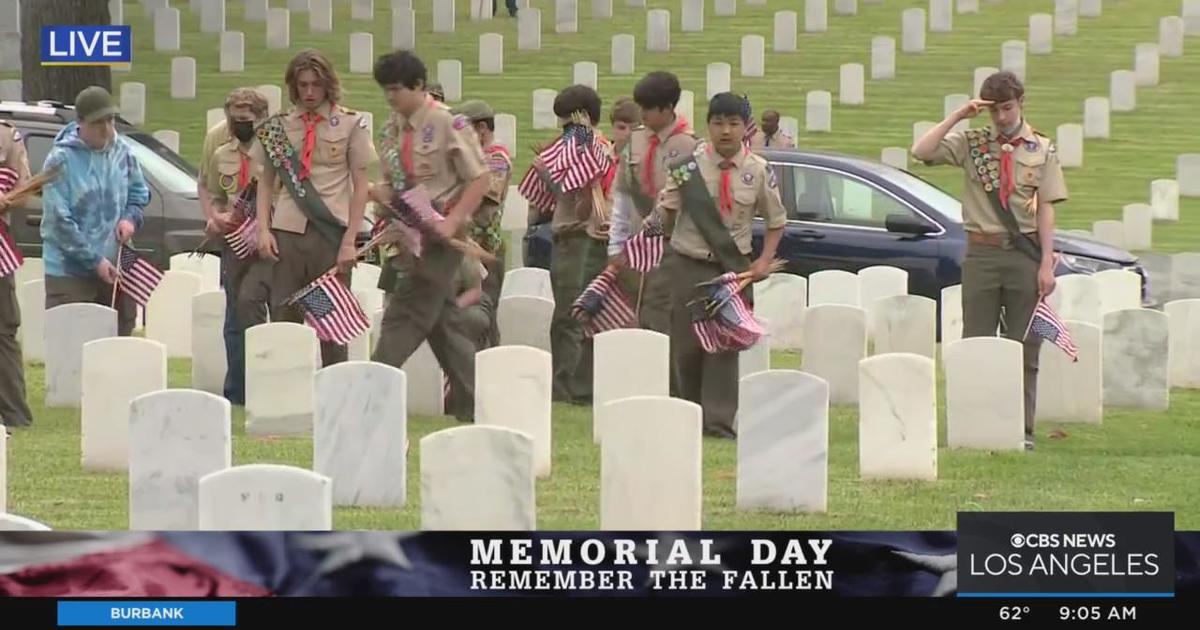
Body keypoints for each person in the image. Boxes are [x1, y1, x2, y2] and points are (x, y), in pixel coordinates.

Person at [910, 70, 1066, 451]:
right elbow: (922, 151)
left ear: (1021, 103)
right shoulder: (973, 143)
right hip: (980, 253)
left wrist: (1046, 263)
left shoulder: (1041, 149)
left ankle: (1022, 429)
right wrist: (959, 116)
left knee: (1024, 345)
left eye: (1007, 108)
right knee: (977, 340)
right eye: (994, 110)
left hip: (1023, 254)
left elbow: (1045, 209)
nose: (1000, 117)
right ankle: (975, 424)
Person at [655, 92, 787, 439]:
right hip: (688, 263)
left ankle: (718, 422)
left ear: (745, 128)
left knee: (724, 347)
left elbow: (776, 221)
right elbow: (666, 212)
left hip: (732, 270)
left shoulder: (758, 171)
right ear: (708, 125)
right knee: (685, 344)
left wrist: (763, 261)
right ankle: (686, 414)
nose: (725, 131)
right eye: (718, 123)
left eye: (733, 123)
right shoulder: (687, 167)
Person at [368, 49, 490, 423]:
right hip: (408, 234)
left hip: (440, 240)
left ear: (418, 86)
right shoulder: (390, 130)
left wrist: (452, 222)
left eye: (397, 89)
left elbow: (480, 178)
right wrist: (382, 203)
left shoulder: (448, 124)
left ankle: (369, 392)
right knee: (444, 326)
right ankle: (477, 405)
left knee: (403, 315)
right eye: (386, 90)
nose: (391, 97)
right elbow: (394, 183)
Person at [249, 50, 375, 368]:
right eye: (302, 85)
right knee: (283, 315)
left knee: (330, 322)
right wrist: (263, 229)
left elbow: (361, 185)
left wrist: (350, 241)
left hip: (329, 235)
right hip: (287, 235)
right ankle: (286, 394)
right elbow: (265, 183)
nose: (308, 93)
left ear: (327, 85)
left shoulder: (349, 123)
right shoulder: (278, 127)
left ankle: (334, 391)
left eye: (315, 85)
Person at [40, 86, 150, 337]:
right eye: (98, 122)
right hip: (70, 272)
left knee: (117, 342)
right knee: (73, 346)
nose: (107, 129)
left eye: (110, 120)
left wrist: (130, 220)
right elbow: (59, 222)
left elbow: (139, 194)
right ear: (80, 122)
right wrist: (94, 261)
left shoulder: (123, 152)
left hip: (117, 263)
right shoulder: (60, 160)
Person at [608, 71, 699, 336]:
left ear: (668, 108)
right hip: (636, 248)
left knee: (657, 316)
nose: (643, 114)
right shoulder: (635, 141)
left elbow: (682, 201)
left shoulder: (687, 147)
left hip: (671, 246)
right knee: (635, 317)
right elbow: (623, 193)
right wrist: (615, 244)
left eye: (649, 108)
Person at [540, 85, 613, 405]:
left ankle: (567, 386)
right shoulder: (575, 148)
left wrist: (552, 177)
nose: (563, 132)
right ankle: (568, 383)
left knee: (570, 317)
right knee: (565, 315)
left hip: (580, 236)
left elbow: (583, 202)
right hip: (566, 237)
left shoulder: (590, 150)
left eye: (567, 124)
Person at [205, 87, 269, 406]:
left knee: (254, 307)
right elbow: (215, 194)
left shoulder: (273, 153)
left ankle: (264, 384)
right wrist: (216, 216)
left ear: (260, 119)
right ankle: (238, 390)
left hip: (266, 242)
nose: (239, 125)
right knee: (234, 317)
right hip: (233, 244)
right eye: (234, 119)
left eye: (246, 119)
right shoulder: (222, 155)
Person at [450, 99, 510, 348]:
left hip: (485, 248)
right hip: (462, 247)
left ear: (482, 129)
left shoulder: (496, 159)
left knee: (483, 315)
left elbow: (487, 195)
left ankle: (491, 366)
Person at [0, 118, 33, 430]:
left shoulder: (7, 137)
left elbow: (25, 189)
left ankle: (14, 414)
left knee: (3, 333)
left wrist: (6, 200)